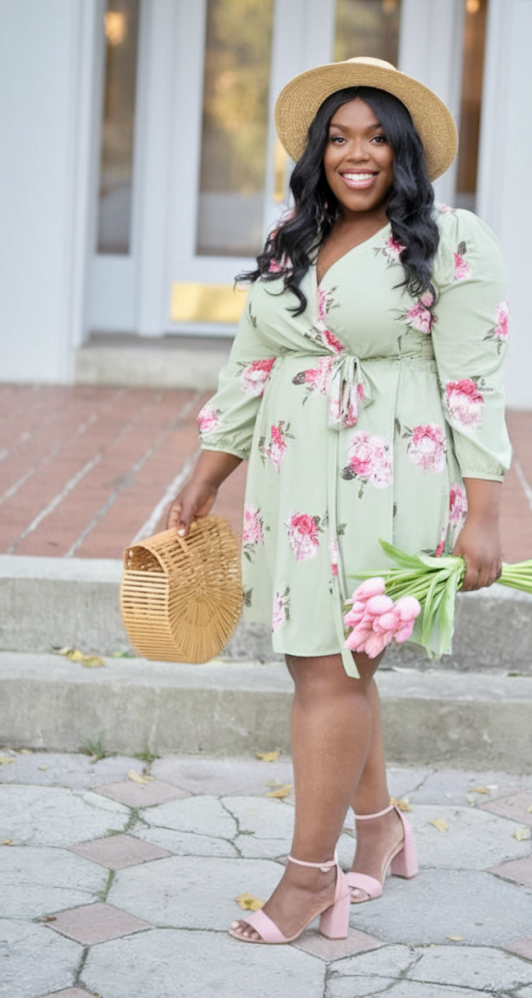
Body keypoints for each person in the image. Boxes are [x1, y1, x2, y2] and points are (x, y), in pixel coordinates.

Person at [168, 57, 511, 945]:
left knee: (332, 668)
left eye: (375, 138)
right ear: (317, 153)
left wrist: (483, 515)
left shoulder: (452, 240)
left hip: (391, 475)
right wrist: (206, 474)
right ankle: (380, 827)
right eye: (338, 138)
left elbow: (472, 382)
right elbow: (249, 367)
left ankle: (308, 878)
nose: (356, 154)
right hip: (292, 477)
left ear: (404, 152)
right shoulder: (293, 238)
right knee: (324, 665)